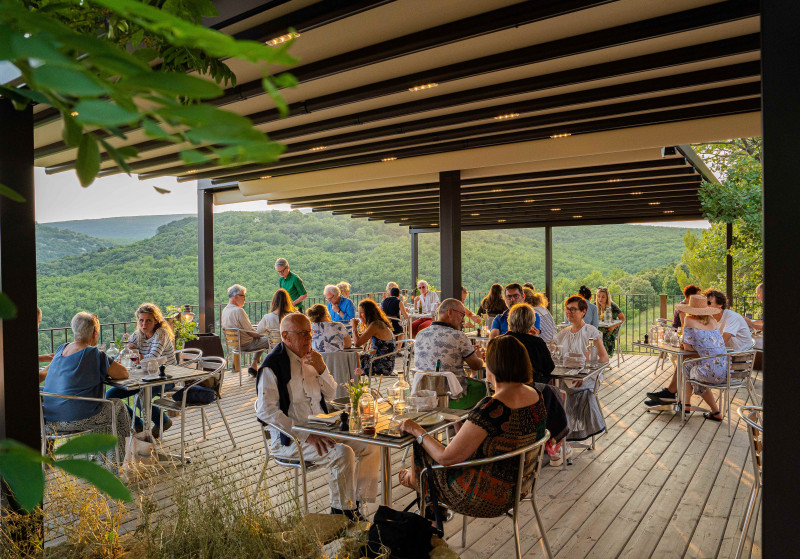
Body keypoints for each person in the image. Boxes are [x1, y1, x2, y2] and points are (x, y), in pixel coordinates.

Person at [397, 336, 546, 519]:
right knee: (431, 451)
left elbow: (446, 458)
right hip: (519, 487)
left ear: (493, 367)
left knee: (422, 446)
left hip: (483, 496)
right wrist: (461, 423)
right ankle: (434, 514)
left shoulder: (493, 407)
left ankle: (414, 482)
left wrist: (416, 429)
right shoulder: (536, 395)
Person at [255, 313, 379, 519]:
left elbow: (331, 394)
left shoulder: (313, 358)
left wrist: (321, 369)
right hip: (291, 439)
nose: (308, 338)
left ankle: (356, 503)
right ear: (285, 336)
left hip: (322, 428)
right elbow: (265, 411)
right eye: (302, 334)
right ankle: (342, 513)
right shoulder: (273, 365)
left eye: (310, 333)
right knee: (342, 453)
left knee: (370, 444)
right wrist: (306, 436)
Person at [43, 312, 132, 469]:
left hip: (49, 420)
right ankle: (114, 467)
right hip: (77, 419)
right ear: (95, 333)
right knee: (117, 406)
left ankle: (101, 457)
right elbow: (123, 373)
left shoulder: (61, 349)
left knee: (104, 409)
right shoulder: (94, 354)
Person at [647, 289, 753, 406]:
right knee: (687, 362)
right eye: (704, 303)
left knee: (687, 365)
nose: (706, 306)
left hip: (736, 363)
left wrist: (694, 344)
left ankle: (676, 398)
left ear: (720, 305)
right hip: (724, 359)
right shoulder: (711, 320)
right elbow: (713, 344)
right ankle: (676, 397)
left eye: (709, 303)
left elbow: (721, 341)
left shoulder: (731, 318)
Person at [106, 302, 177, 435]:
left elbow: (152, 358)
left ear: (156, 321)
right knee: (110, 396)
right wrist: (128, 353)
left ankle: (163, 421)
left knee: (141, 397)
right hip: (143, 377)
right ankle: (137, 423)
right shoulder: (138, 333)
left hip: (167, 376)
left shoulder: (161, 333)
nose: (144, 324)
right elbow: (124, 353)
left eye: (148, 320)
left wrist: (135, 354)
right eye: (141, 320)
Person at [552, 295, 608, 442]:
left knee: (566, 392)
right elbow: (552, 352)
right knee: (554, 390)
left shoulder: (590, 332)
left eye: (573, 310)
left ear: (583, 311)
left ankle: (563, 436)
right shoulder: (563, 333)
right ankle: (558, 436)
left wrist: (586, 376)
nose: (569, 313)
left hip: (588, 376)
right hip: (567, 376)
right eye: (567, 309)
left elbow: (604, 358)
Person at [674, 295, 729, 421]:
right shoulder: (713, 320)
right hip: (726, 370)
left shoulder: (689, 321)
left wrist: (690, 345)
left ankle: (687, 405)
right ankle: (690, 405)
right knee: (689, 366)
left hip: (711, 374)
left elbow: (687, 347)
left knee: (687, 367)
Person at [414, 298, 485, 395]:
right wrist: (479, 357)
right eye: (462, 315)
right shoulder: (459, 336)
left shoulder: (420, 335)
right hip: (453, 395)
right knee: (485, 387)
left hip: (425, 393)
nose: (463, 319)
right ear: (450, 312)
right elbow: (476, 366)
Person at [221, 284, 271, 377]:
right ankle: (268, 369)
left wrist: (258, 333)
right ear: (236, 297)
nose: (245, 299)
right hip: (246, 344)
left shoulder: (225, 310)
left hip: (234, 345)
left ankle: (254, 365)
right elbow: (251, 333)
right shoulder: (239, 311)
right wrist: (266, 333)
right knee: (270, 340)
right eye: (243, 296)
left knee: (260, 339)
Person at [503, 303, 554, 383]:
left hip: (504, 388)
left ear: (509, 320)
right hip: (531, 389)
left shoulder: (499, 341)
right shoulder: (537, 343)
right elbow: (549, 368)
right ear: (531, 322)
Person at [351, 299, 396, 376]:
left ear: (369, 313)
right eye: (359, 313)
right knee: (354, 359)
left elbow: (357, 343)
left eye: (362, 313)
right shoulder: (377, 322)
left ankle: (352, 384)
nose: (359, 316)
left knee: (351, 361)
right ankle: (354, 384)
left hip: (382, 365)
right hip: (384, 361)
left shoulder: (375, 325)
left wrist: (354, 327)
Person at [595, 287, 625, 357]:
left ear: (607, 297)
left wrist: (613, 326)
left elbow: (622, 318)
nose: (600, 299)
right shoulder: (595, 305)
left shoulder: (612, 306)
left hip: (613, 327)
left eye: (603, 297)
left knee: (606, 334)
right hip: (600, 327)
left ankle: (606, 356)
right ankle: (597, 355)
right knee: (593, 334)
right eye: (598, 296)